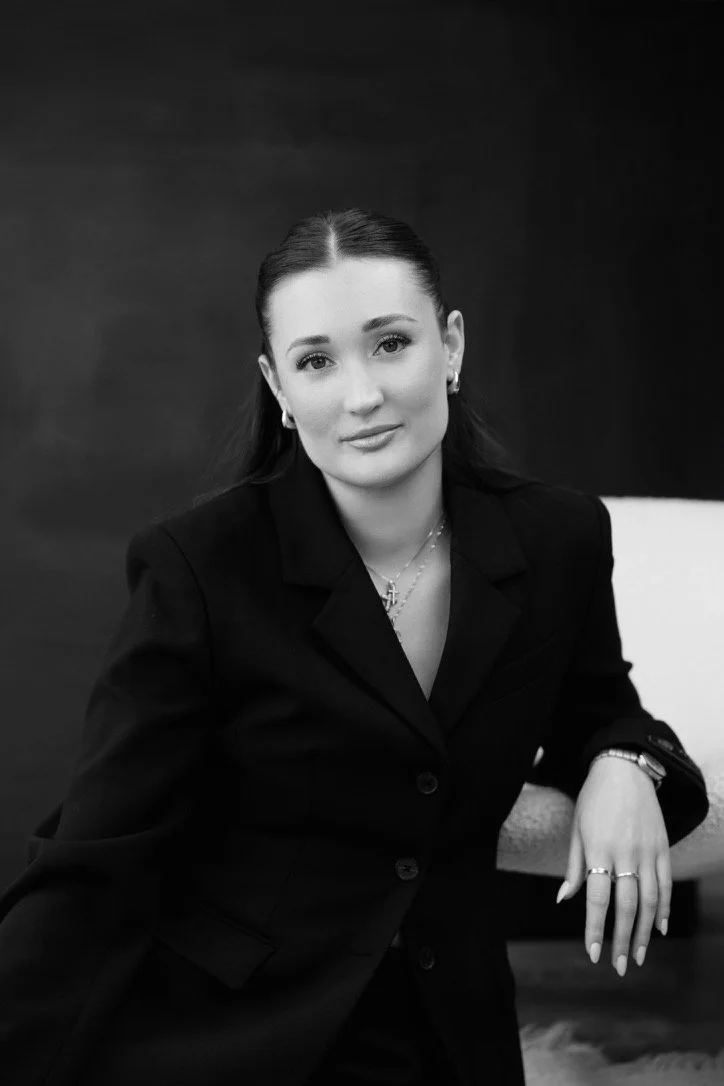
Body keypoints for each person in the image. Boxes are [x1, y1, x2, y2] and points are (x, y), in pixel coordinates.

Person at [0, 207, 709, 1086]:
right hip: (228, 1032)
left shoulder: (557, 536)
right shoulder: (200, 564)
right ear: (278, 388)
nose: (362, 395)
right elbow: (97, 856)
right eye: (316, 362)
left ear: (449, 347)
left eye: (390, 343)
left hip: (451, 1032)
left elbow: (603, 710)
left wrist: (626, 761)